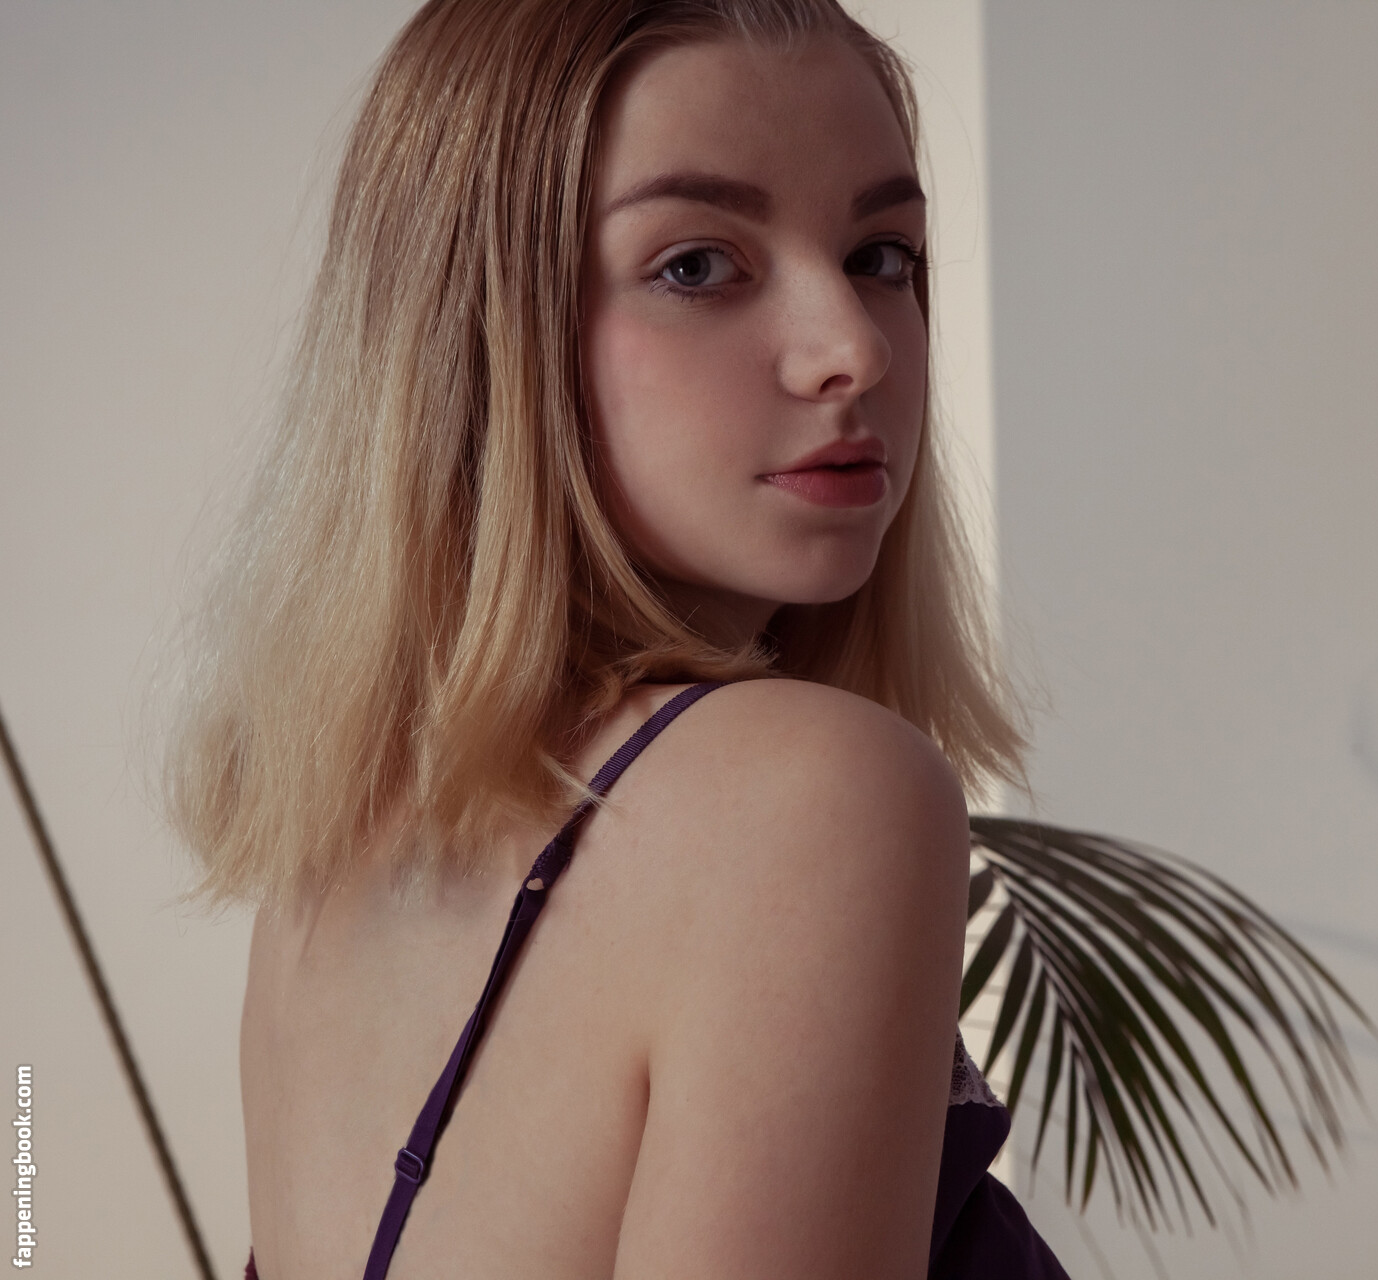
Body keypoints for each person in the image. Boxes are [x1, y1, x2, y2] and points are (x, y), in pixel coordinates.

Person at [165, 0, 1069, 1275]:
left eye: (881, 254)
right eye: (697, 265)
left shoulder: (331, 856)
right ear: (481, 330)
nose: (853, 348)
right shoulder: (812, 794)